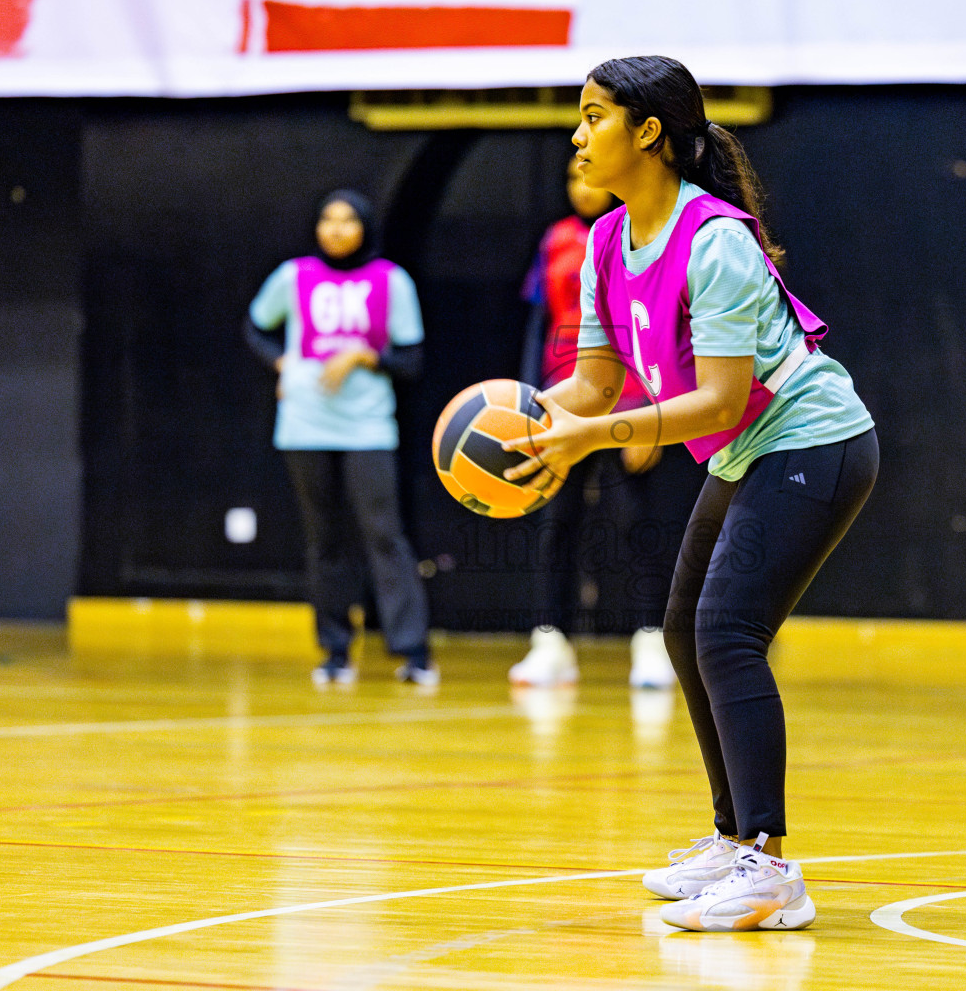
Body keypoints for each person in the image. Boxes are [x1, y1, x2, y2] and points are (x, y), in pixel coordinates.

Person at [502, 57, 878, 931]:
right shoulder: (604, 241)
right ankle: (731, 837)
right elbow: (593, 383)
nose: (576, 134)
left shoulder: (715, 242)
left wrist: (590, 438)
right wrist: (517, 421)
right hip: (748, 450)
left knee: (727, 633)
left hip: (811, 442)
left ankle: (772, 869)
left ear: (649, 134)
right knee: (684, 630)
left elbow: (715, 398)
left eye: (593, 117)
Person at [244, 189, 436, 687]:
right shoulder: (294, 276)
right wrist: (281, 361)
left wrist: (363, 355)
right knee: (323, 540)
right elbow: (256, 326)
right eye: (327, 219)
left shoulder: (391, 281)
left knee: (383, 535)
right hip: (305, 425)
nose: (335, 229)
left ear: (365, 227)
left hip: (367, 426)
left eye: (347, 220)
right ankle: (334, 651)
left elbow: (412, 360)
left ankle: (412, 651)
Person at [510, 159, 678, 690]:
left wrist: (655, 414)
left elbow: (664, 327)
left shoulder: (645, 235)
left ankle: (651, 643)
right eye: (570, 179)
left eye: (588, 176)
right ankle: (550, 643)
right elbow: (538, 325)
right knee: (555, 524)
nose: (580, 187)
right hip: (566, 401)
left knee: (635, 523)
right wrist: (529, 403)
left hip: (629, 401)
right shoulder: (556, 239)